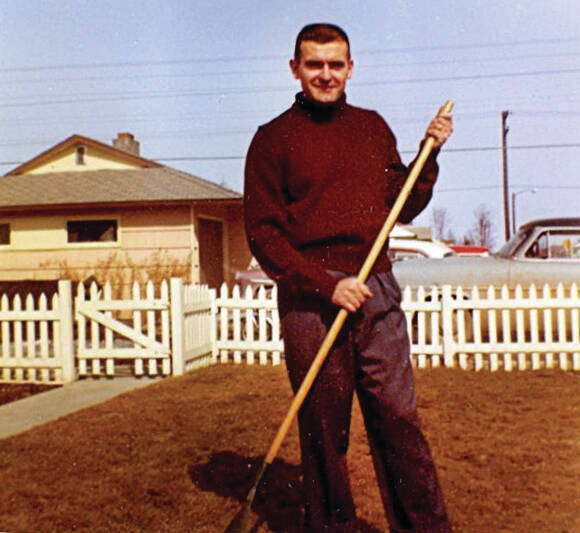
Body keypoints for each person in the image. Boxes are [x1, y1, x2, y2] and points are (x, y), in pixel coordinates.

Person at [244, 23, 453, 533]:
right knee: (322, 433)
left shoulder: (372, 128)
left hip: (376, 287)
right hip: (312, 298)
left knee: (398, 419)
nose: (325, 74)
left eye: (335, 64)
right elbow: (263, 234)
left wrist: (429, 155)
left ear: (350, 68)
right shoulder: (273, 140)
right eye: (314, 64)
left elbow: (402, 205)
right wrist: (325, 283)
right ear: (295, 68)